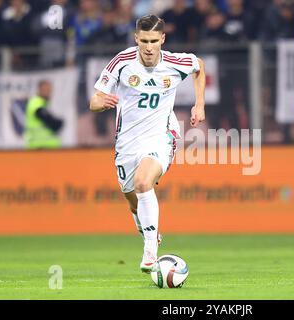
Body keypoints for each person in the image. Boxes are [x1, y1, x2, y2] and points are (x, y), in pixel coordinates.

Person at [89, 15, 206, 273]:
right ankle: (150, 233)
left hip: (161, 134)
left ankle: (150, 252)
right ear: (136, 39)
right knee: (133, 201)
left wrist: (200, 104)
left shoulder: (175, 62)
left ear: (163, 39)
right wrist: (102, 102)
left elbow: (198, 66)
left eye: (154, 41)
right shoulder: (121, 62)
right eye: (144, 41)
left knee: (143, 182)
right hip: (127, 141)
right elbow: (94, 100)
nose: (149, 47)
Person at [24, 80, 64, 149]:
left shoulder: (43, 103)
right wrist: (58, 123)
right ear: (39, 90)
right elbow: (48, 120)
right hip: (39, 147)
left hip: (45, 147)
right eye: (46, 90)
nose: (49, 92)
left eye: (50, 90)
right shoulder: (35, 102)